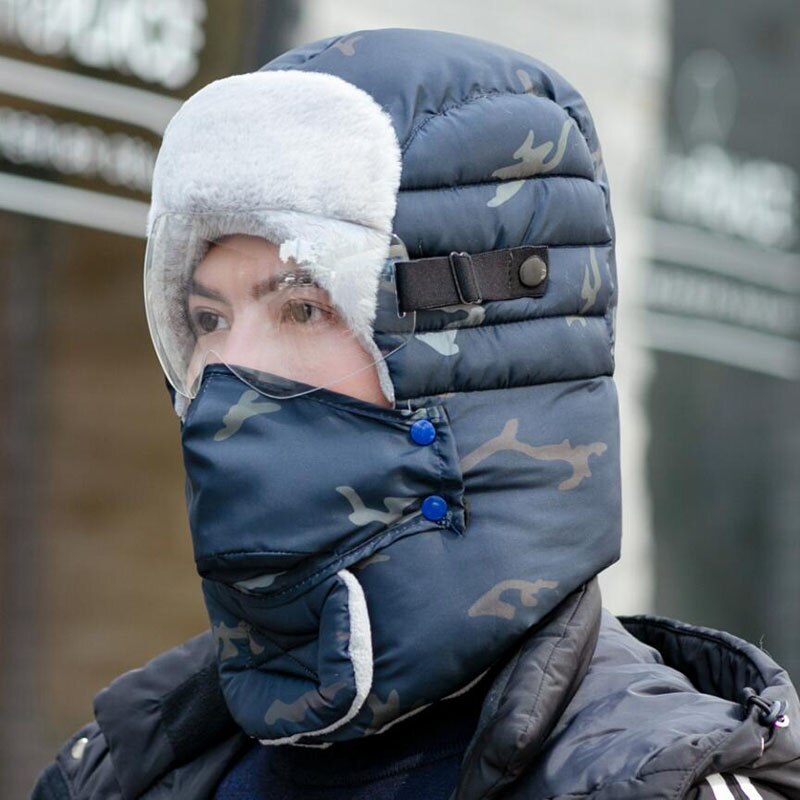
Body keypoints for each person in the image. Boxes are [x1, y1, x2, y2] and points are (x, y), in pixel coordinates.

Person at [32, 28, 800, 800]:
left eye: (302, 309)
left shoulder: (656, 785)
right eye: (206, 321)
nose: (230, 378)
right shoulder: (122, 769)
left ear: (472, 361)